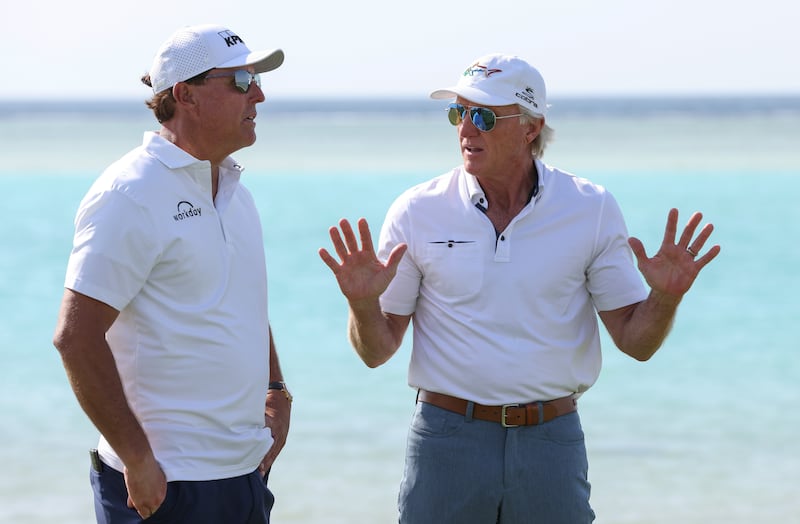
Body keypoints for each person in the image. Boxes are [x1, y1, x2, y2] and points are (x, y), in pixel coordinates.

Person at [318, 53, 720, 523]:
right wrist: (361, 304)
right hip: (446, 441)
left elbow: (637, 343)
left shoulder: (589, 207)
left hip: (551, 441)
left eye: (484, 115)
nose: (467, 129)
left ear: (531, 128)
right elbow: (376, 350)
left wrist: (666, 298)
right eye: (458, 113)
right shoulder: (416, 210)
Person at [52, 24, 292, 524]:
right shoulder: (129, 192)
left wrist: (275, 388)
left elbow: (240, 300)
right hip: (162, 488)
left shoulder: (233, 190)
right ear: (186, 95)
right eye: (242, 82)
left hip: (242, 477)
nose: (260, 95)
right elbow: (76, 337)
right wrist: (137, 460)